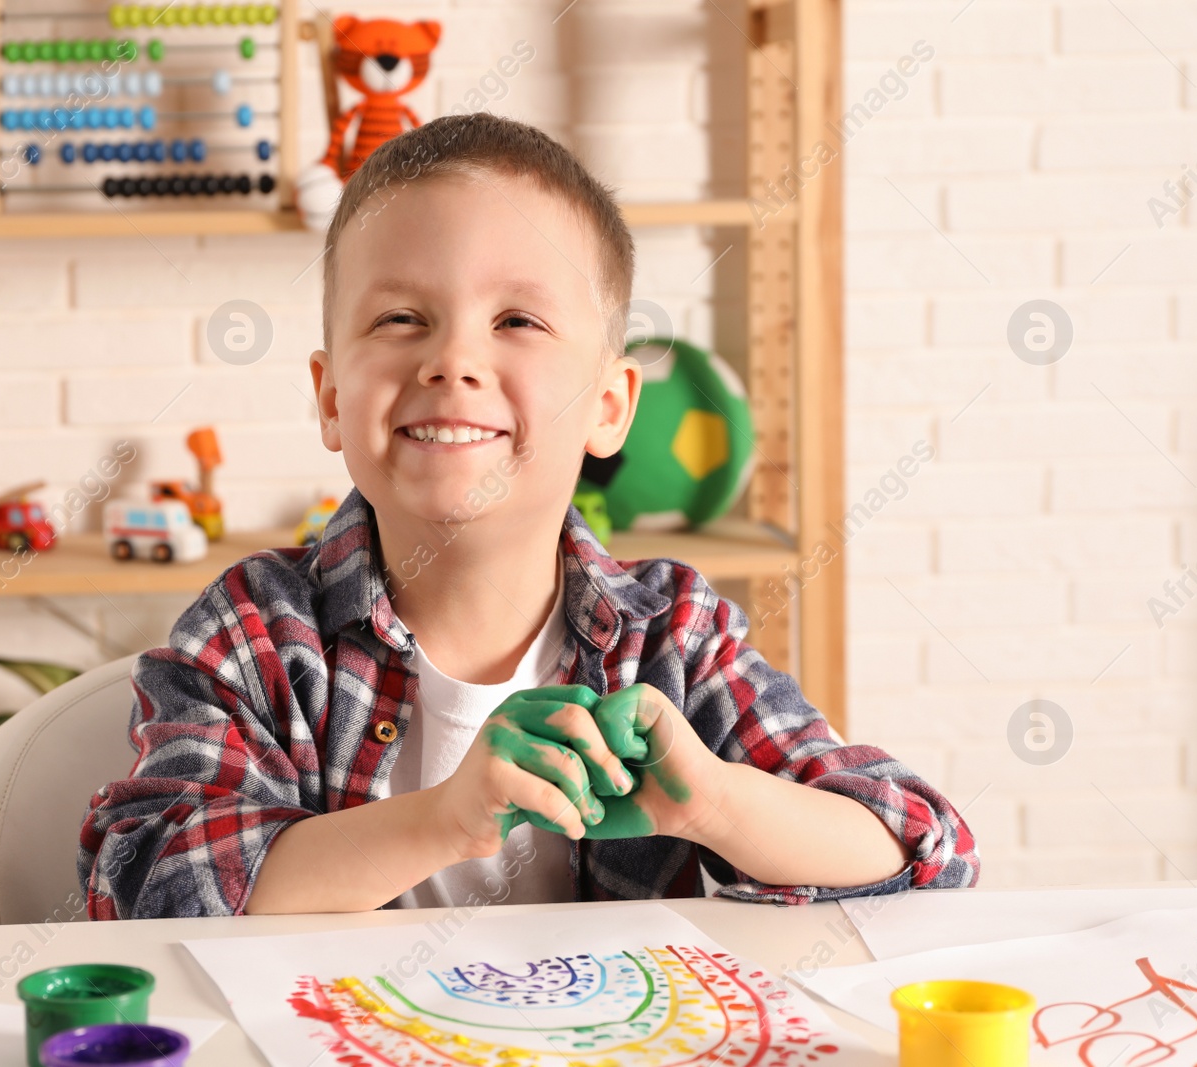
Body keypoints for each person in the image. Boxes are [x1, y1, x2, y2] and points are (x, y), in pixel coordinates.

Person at [77, 113, 979, 919]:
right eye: (400, 317)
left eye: (517, 319)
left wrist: (712, 802)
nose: (453, 358)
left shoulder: (673, 634)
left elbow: (921, 844)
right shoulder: (255, 633)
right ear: (329, 398)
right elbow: (149, 880)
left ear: (610, 406)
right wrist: (443, 820)